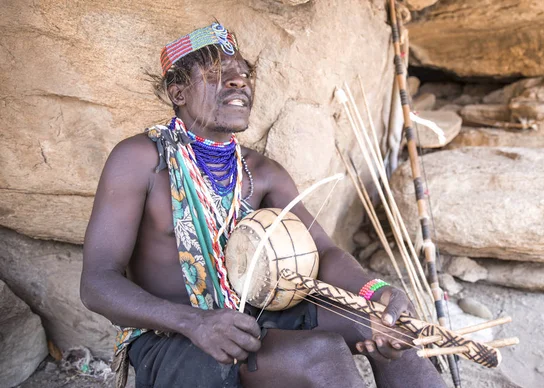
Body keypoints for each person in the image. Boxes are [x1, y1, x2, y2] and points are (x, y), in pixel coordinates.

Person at [80, 23, 445, 388]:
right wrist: (194, 322)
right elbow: (97, 282)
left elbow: (325, 252)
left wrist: (375, 292)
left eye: (243, 75)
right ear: (178, 92)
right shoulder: (140, 160)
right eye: (216, 74)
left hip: (259, 317)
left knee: (388, 327)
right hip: (176, 336)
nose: (239, 83)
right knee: (321, 355)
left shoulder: (262, 173)